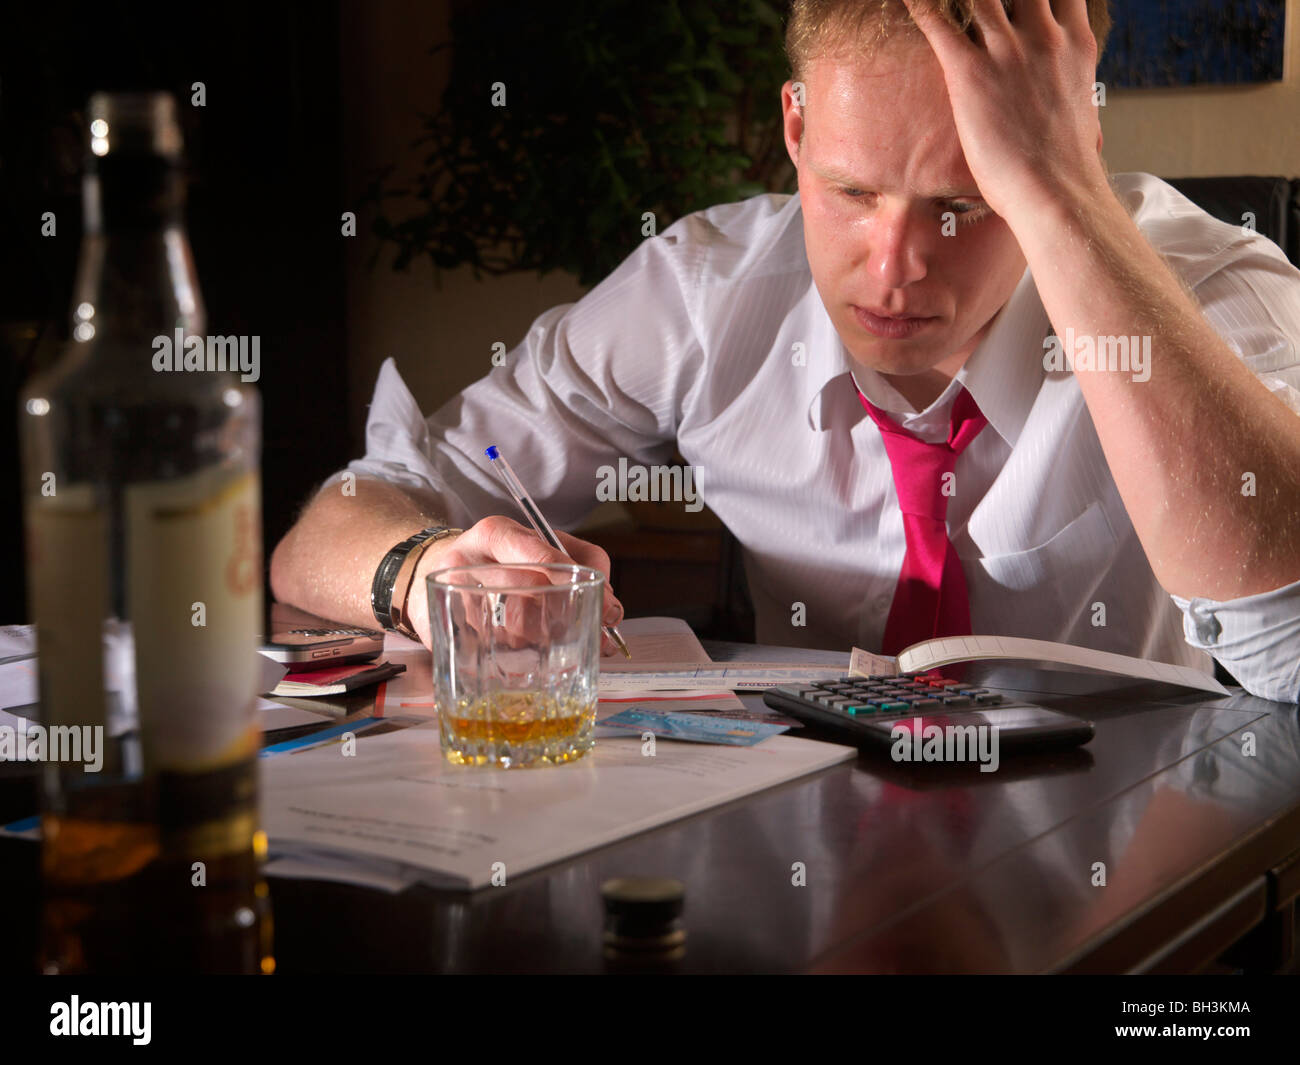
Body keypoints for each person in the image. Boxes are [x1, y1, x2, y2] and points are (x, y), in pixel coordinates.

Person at [270, 0, 1300, 702]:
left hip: (1129, 861)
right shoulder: (703, 289)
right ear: (795, 131)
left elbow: (1288, 643)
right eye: (851, 193)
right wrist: (421, 571)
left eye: (963, 203)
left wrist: (1057, 195)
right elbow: (334, 526)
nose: (893, 266)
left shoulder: (1212, 291)